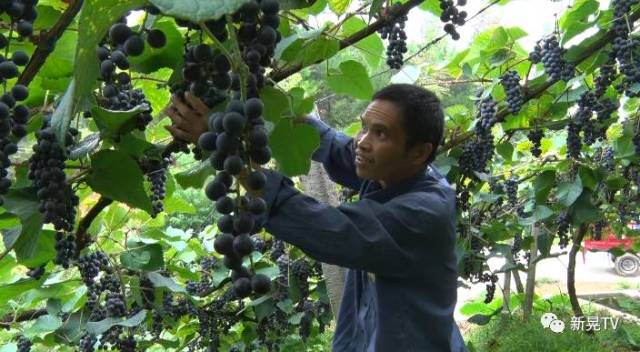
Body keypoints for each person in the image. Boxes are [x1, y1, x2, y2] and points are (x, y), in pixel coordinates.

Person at [165, 84, 468, 352]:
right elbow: (335, 147)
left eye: (381, 133)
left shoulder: (423, 213)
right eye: (364, 127)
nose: (362, 141)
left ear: (419, 152)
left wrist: (222, 145)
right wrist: (271, 101)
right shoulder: (393, 170)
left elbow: (327, 228)